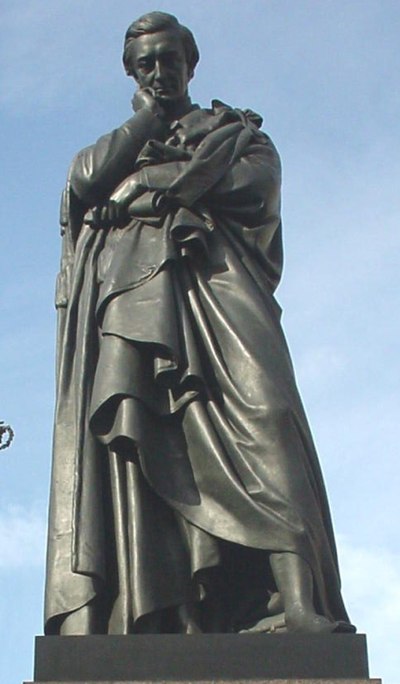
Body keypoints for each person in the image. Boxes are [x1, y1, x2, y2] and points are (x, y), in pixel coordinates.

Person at [45, 11, 354, 636]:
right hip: (137, 306)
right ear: (132, 73)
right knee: (151, 446)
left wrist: (154, 186)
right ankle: (169, 613)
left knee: (268, 421)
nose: (160, 72)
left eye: (169, 59)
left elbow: (254, 187)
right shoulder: (124, 141)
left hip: (217, 285)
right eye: (145, 64)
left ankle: (298, 605)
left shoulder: (235, 133)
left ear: (191, 62)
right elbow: (80, 187)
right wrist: (146, 128)